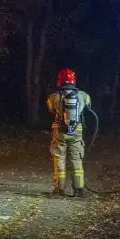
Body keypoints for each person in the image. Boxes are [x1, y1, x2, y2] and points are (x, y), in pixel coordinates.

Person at [47, 69, 91, 197]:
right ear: (74, 80)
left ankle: (59, 189)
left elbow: (51, 110)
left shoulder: (53, 96)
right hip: (76, 132)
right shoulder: (83, 95)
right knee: (76, 159)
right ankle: (78, 189)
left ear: (59, 81)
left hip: (59, 131)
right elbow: (88, 106)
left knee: (59, 158)